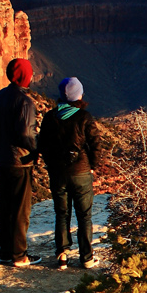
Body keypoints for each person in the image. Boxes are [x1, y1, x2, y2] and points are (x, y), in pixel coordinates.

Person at [37, 76, 103, 268]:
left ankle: (62, 255)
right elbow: (96, 144)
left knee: (62, 213)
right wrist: (92, 165)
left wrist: (51, 164)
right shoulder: (84, 117)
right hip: (81, 172)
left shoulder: (50, 117)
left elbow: (42, 145)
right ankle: (87, 257)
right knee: (84, 215)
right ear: (78, 96)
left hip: (58, 173)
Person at [0, 58, 39, 267]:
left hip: (1, 158)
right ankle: (19, 255)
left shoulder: (0, 96)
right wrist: (37, 147)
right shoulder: (25, 102)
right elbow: (26, 134)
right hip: (19, 161)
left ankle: (6, 252)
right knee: (20, 209)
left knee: (6, 206)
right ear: (24, 76)